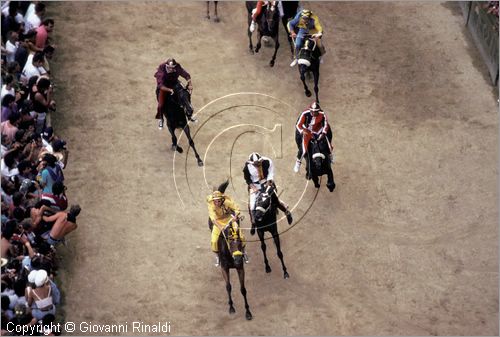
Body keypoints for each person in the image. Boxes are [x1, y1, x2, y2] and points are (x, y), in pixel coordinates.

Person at [243, 152, 293, 225]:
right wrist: (253, 187)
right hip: (255, 185)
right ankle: (253, 221)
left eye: (259, 163)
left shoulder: (267, 161)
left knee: (275, 200)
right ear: (251, 163)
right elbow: (247, 179)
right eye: (255, 164)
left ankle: (287, 212)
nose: (257, 165)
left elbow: (271, 172)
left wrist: (269, 181)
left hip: (266, 182)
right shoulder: (247, 167)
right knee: (251, 205)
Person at [206, 190, 247, 266]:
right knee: (214, 240)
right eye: (215, 201)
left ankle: (244, 252)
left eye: (218, 201)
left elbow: (236, 208)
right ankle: (217, 256)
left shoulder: (227, 202)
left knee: (241, 236)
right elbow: (213, 219)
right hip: (218, 223)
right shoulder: (211, 206)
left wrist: (235, 216)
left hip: (229, 220)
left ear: (222, 200)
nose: (217, 203)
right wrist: (220, 227)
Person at [153, 58, 193, 130]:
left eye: (173, 67)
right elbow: (160, 85)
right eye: (169, 67)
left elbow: (186, 74)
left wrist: (190, 84)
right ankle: (161, 119)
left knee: (185, 94)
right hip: (164, 87)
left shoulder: (177, 66)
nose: (171, 69)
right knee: (161, 105)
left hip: (174, 83)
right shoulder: (161, 70)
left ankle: (189, 113)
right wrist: (169, 90)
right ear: (166, 66)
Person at [294, 101, 333, 173]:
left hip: (318, 130)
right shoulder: (305, 113)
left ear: (318, 111)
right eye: (312, 111)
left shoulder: (322, 114)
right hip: (308, 131)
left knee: (327, 143)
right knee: (304, 147)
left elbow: (326, 124)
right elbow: (298, 125)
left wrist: (323, 133)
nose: (314, 113)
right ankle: (298, 162)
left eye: (315, 111)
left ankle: (330, 156)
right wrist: (302, 131)